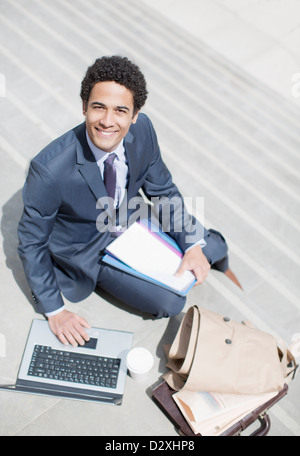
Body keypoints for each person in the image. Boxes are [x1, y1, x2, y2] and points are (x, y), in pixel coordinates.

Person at [18, 56, 241, 347]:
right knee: (170, 303)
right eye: (99, 107)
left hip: (131, 222)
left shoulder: (143, 130)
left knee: (211, 245)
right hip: (87, 249)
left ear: (135, 115)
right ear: (84, 106)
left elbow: (162, 190)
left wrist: (191, 245)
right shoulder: (49, 169)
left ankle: (197, 250)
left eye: (120, 111)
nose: (108, 122)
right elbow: (31, 242)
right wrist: (54, 310)